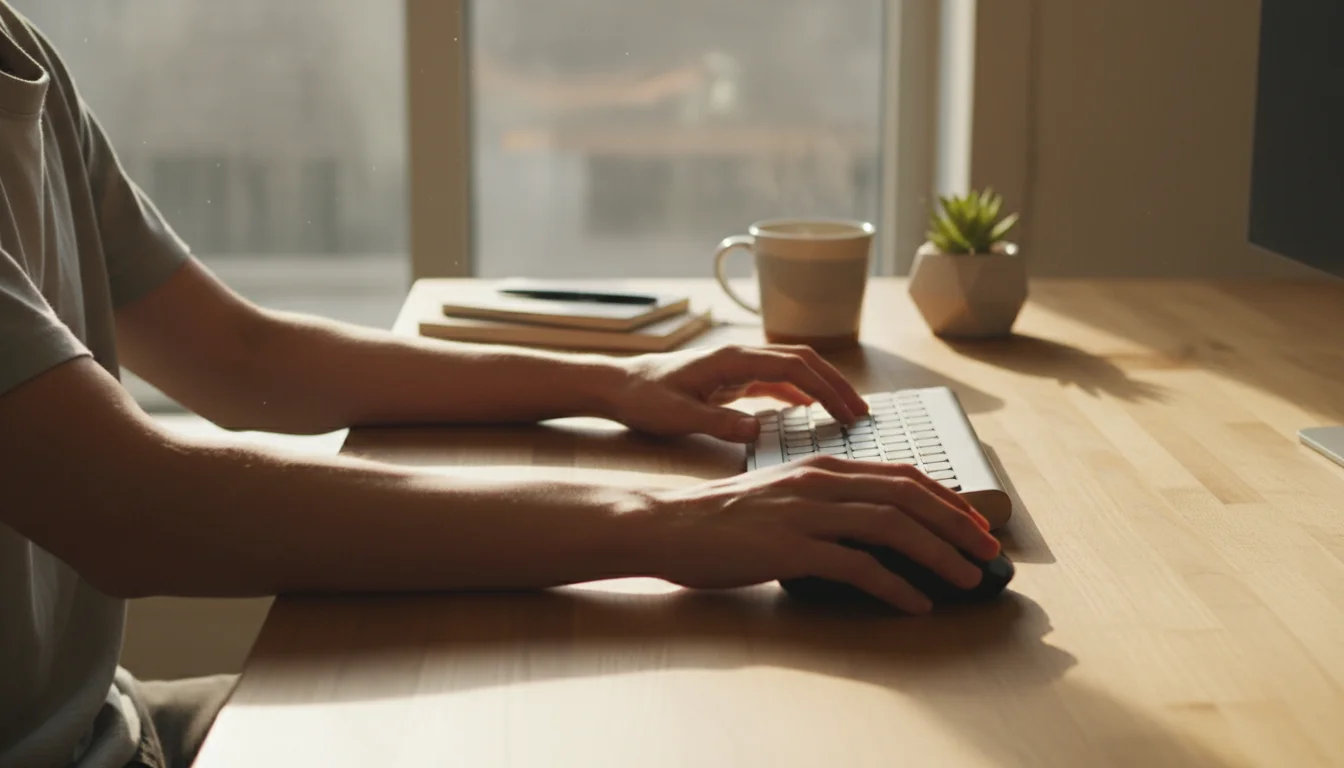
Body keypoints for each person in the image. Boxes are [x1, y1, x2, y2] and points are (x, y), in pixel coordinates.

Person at [0, 6, 999, 768]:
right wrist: (668, 521)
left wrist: (614, 384)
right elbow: (135, 509)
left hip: (113, 728)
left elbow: (242, 360)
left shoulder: (23, 53)